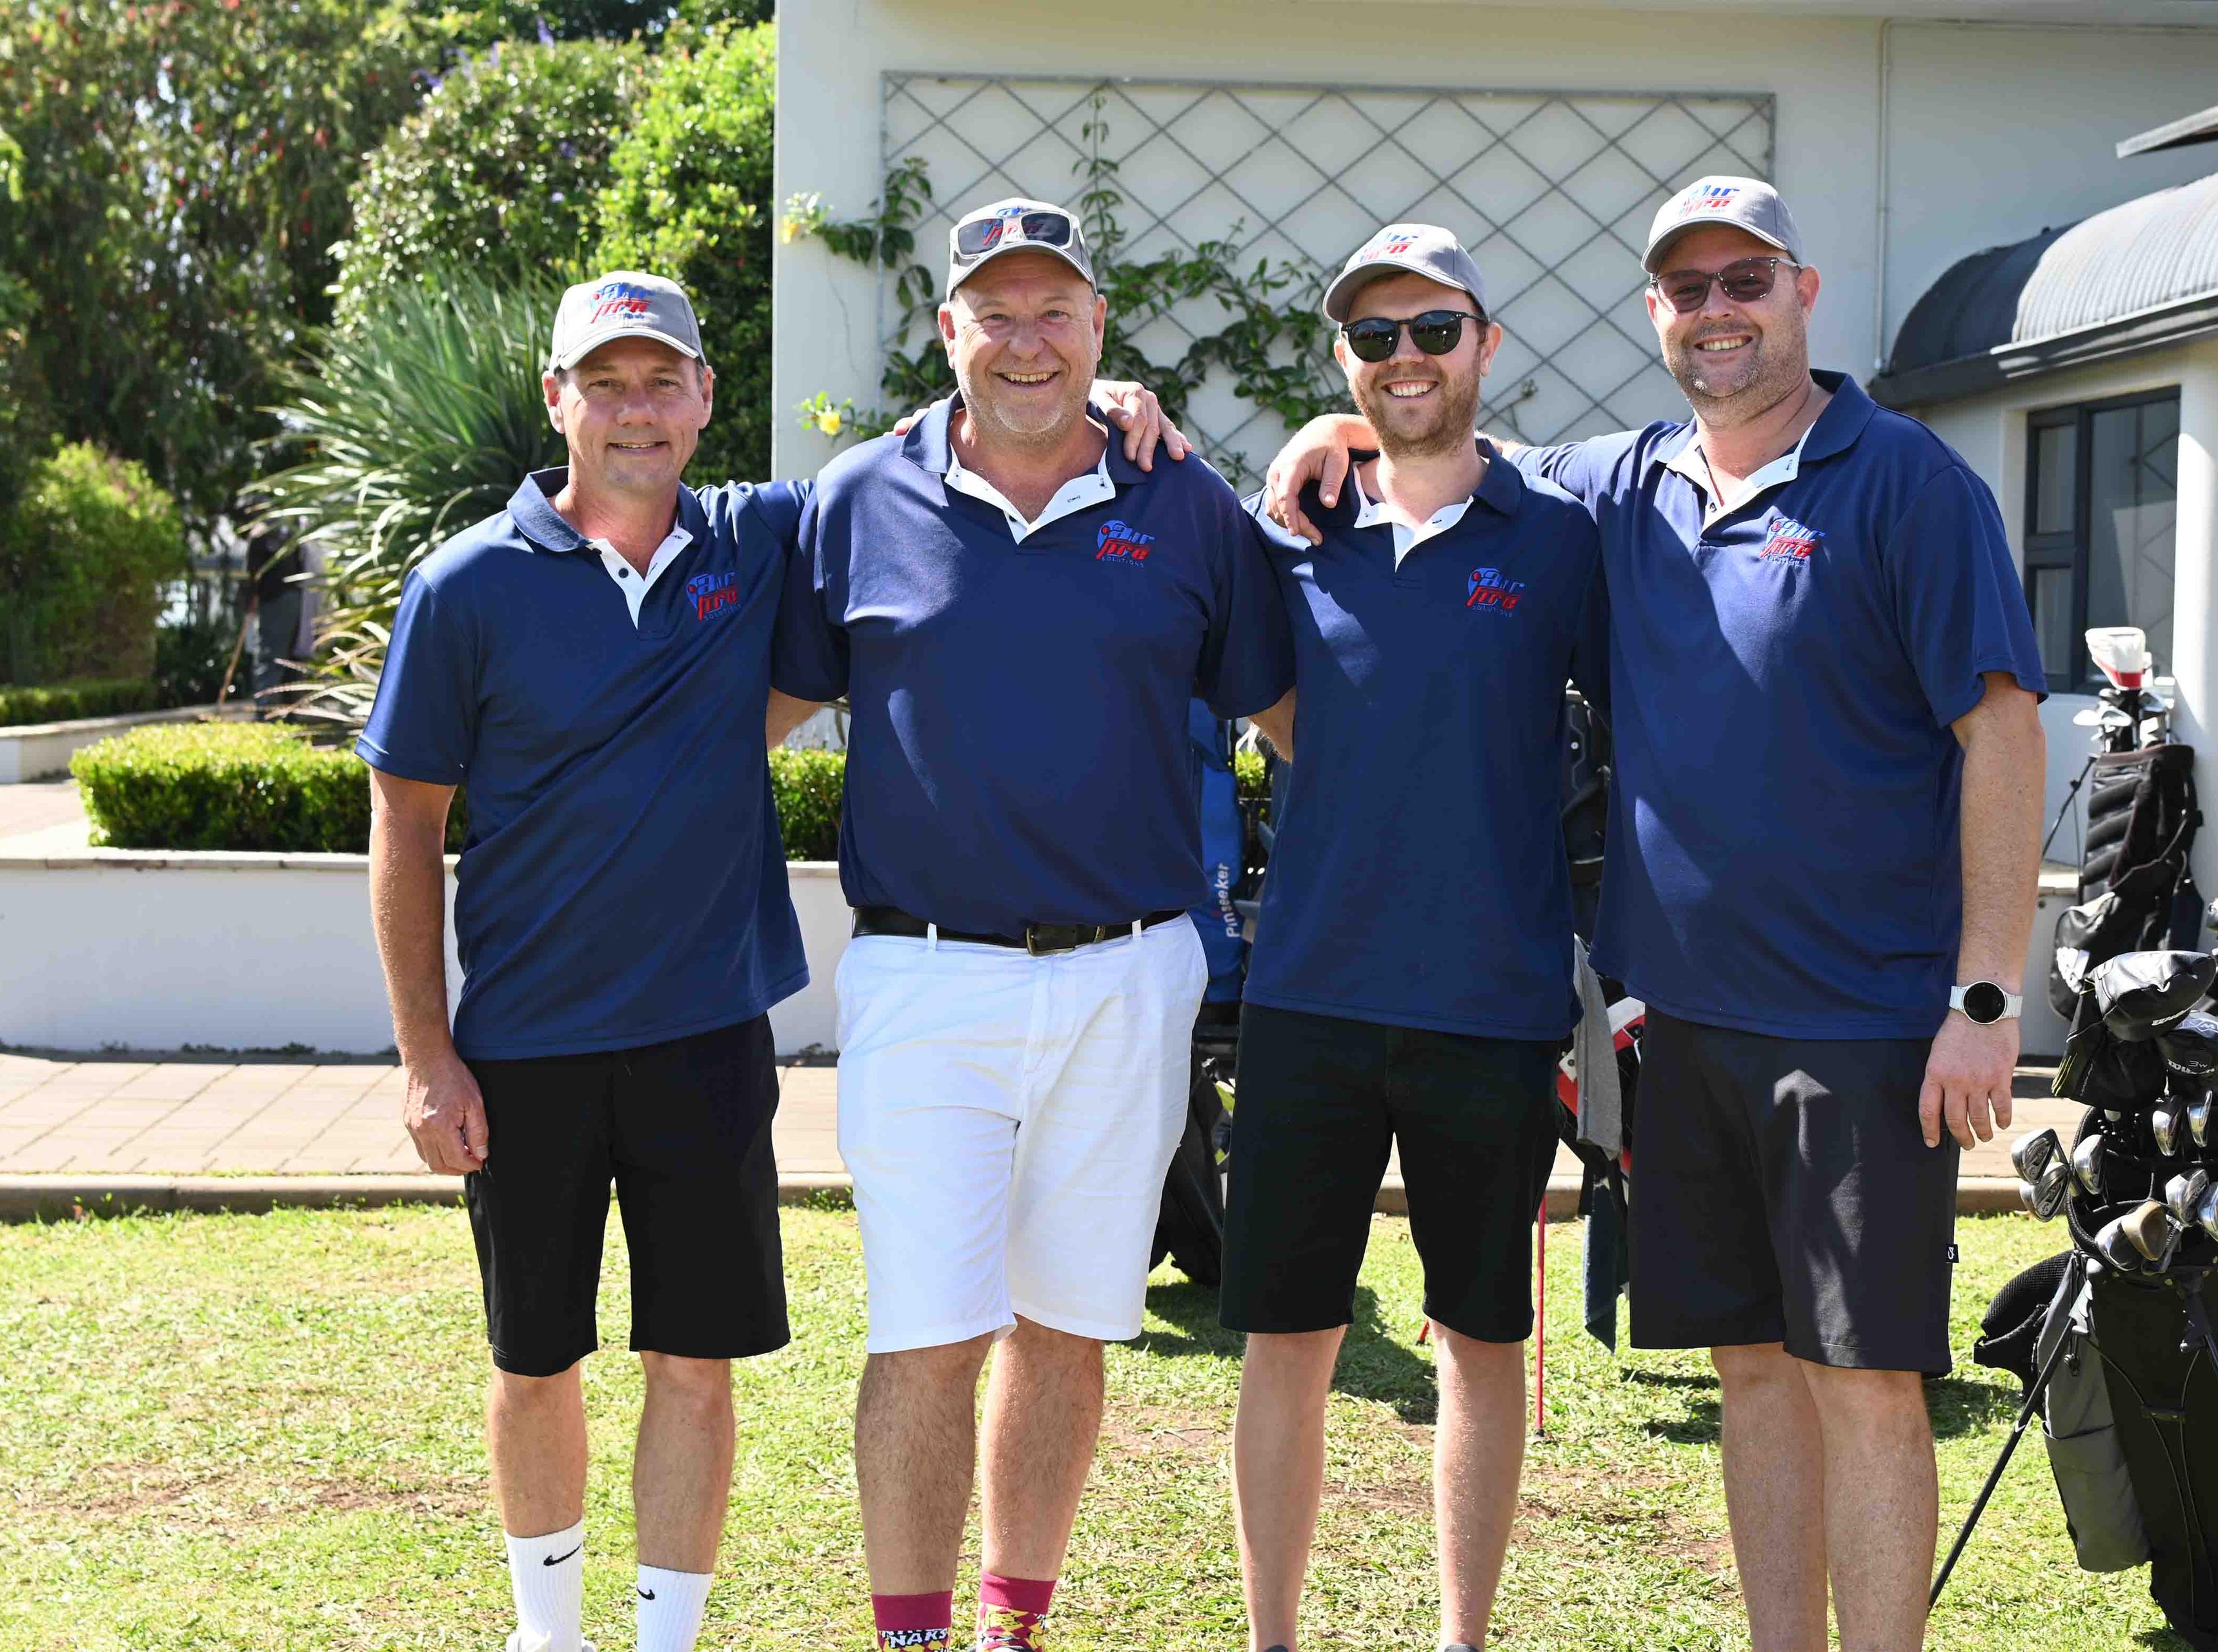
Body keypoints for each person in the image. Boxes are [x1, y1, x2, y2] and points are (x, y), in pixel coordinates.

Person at [1264, 177, 2048, 1652]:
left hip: (1867, 1024)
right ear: (1654, 316)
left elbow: (2000, 730)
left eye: (1743, 282)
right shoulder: (1626, 488)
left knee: (1865, 1380)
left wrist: (1986, 992)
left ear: (1803, 291)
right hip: (1678, 1026)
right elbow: (1445, 440)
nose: (1716, 313)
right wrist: (1342, 428)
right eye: (1686, 291)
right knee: (1752, 1367)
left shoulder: (1905, 482)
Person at [765, 197, 1296, 1652]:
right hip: (924, 974)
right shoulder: (854, 500)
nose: (1024, 339)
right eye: (993, 311)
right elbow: (744, 718)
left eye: (1053, 309)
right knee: (927, 1329)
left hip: (1132, 973)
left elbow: (1303, 711)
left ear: (1100, 330)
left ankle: (1015, 1619)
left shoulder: (1180, 499)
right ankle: (911, 1633)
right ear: (946, 331)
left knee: (1069, 1323)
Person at [360, 272, 809, 1652]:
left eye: (660, 380)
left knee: (695, 1360)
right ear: (556, 399)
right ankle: (547, 1635)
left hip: (706, 1033)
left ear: (705, 401)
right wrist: (427, 1058)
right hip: (528, 1048)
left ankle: (664, 1639)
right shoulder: (466, 587)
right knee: (533, 1354)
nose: (633, 410)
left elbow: (947, 442)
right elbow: (407, 820)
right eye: (602, 383)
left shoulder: (761, 542)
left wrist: (1113, 400)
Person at [1225, 225, 1604, 1652]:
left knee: (1480, 1336)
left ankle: (1462, 1637)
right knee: (1287, 1338)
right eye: (1373, 339)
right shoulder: (1296, 526)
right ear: (1345, 360)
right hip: (1311, 996)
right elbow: (1277, 706)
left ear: (1486, 344)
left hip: (1492, 1005)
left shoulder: (1562, 538)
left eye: (1433, 330)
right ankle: (1272, 1635)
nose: (1405, 360)